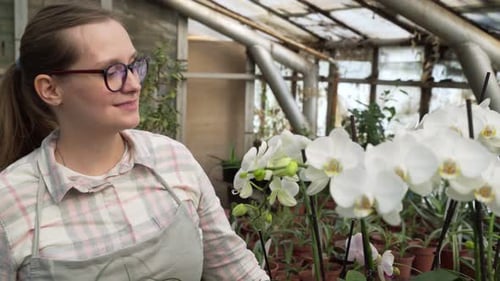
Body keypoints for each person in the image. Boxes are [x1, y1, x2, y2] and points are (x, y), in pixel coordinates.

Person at [0, 3, 269, 281]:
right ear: (51, 89)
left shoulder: (172, 160)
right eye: (111, 71)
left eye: (133, 65)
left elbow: (236, 270)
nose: (133, 84)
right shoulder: (9, 203)